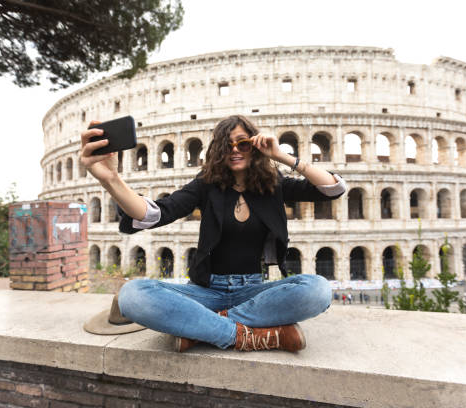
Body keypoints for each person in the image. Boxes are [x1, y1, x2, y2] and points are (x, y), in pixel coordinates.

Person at [80, 115, 346, 352]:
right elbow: (154, 214)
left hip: (252, 291)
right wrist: (110, 179)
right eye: (225, 145)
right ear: (217, 151)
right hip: (205, 292)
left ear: (255, 145)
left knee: (318, 290)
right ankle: (246, 336)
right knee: (132, 295)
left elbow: (332, 189)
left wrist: (282, 157)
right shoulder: (206, 185)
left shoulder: (274, 184)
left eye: (242, 143)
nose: (234, 151)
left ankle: (201, 328)